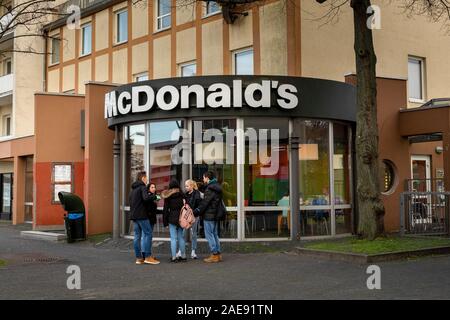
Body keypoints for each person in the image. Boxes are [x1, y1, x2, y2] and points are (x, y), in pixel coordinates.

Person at [129, 171, 160, 265]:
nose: (147, 180)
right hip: (142, 215)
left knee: (137, 236)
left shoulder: (133, 190)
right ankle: (147, 257)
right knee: (148, 234)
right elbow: (146, 198)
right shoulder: (142, 187)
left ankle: (139, 258)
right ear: (143, 178)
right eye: (146, 178)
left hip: (134, 216)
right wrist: (155, 197)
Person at [194, 171, 223, 263]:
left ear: (207, 178)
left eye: (203, 178)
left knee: (209, 235)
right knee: (214, 234)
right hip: (215, 214)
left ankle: (214, 254)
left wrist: (197, 211)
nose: (203, 179)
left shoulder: (210, 188)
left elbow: (205, 203)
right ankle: (218, 254)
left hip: (209, 215)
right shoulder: (216, 187)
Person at [162, 179, 187, 263]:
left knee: (173, 238)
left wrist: (165, 222)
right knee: (181, 237)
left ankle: (173, 257)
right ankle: (183, 256)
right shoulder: (182, 195)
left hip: (172, 218)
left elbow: (165, 210)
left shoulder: (168, 196)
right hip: (181, 219)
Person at [183, 179, 203, 259]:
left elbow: (199, 206)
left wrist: (193, 213)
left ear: (191, 186)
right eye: (185, 186)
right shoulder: (185, 194)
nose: (186, 187)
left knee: (193, 234)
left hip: (194, 216)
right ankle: (181, 250)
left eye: (187, 186)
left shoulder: (197, 194)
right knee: (183, 233)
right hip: (186, 217)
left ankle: (193, 251)